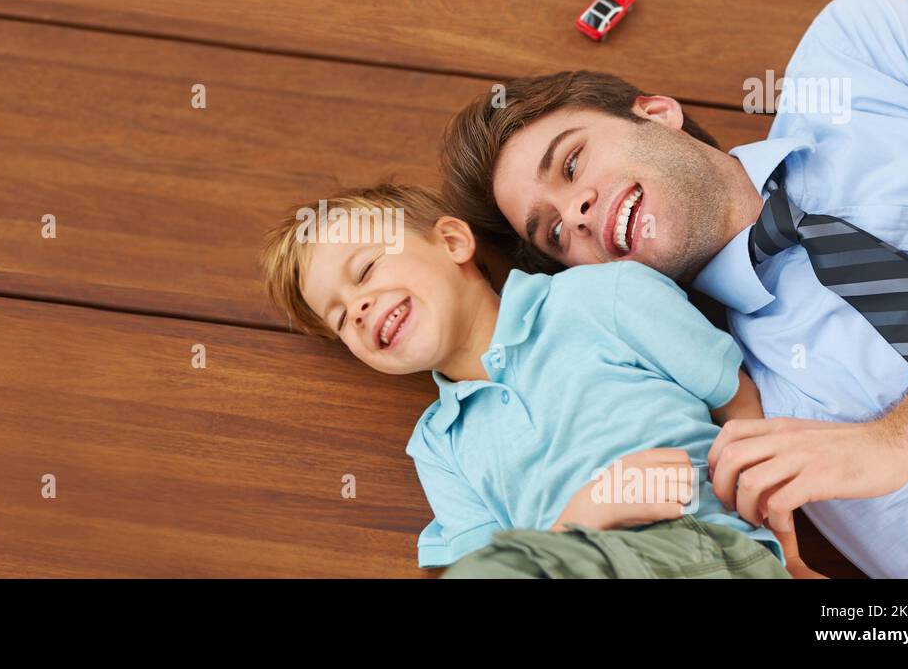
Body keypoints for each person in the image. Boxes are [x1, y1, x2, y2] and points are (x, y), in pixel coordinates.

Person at [439, 0, 908, 577]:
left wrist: (902, 440)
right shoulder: (776, 421)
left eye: (572, 163)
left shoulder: (860, 54)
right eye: (554, 233)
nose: (575, 212)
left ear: (656, 114)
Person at [259, 183, 813, 578]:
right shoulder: (439, 443)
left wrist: (787, 551)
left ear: (452, 242)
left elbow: (737, 402)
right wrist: (584, 516)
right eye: (339, 319)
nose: (356, 308)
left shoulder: (602, 297)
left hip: (698, 548)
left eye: (365, 271)